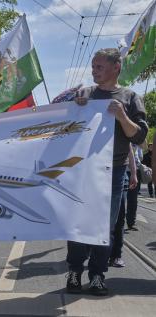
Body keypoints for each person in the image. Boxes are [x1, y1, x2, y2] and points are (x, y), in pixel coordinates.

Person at [67, 48, 147, 296]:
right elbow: (65, 128)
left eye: (99, 66)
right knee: (78, 222)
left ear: (116, 68)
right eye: (93, 66)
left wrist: (122, 116)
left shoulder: (130, 97)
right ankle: (74, 271)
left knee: (105, 226)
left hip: (114, 171)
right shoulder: (84, 94)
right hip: (82, 170)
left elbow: (140, 137)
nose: (94, 71)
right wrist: (75, 107)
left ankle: (98, 275)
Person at [109, 144, 137, 268]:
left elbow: (129, 148)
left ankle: (116, 255)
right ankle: (94, 249)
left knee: (119, 218)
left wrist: (134, 173)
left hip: (120, 176)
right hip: (97, 174)